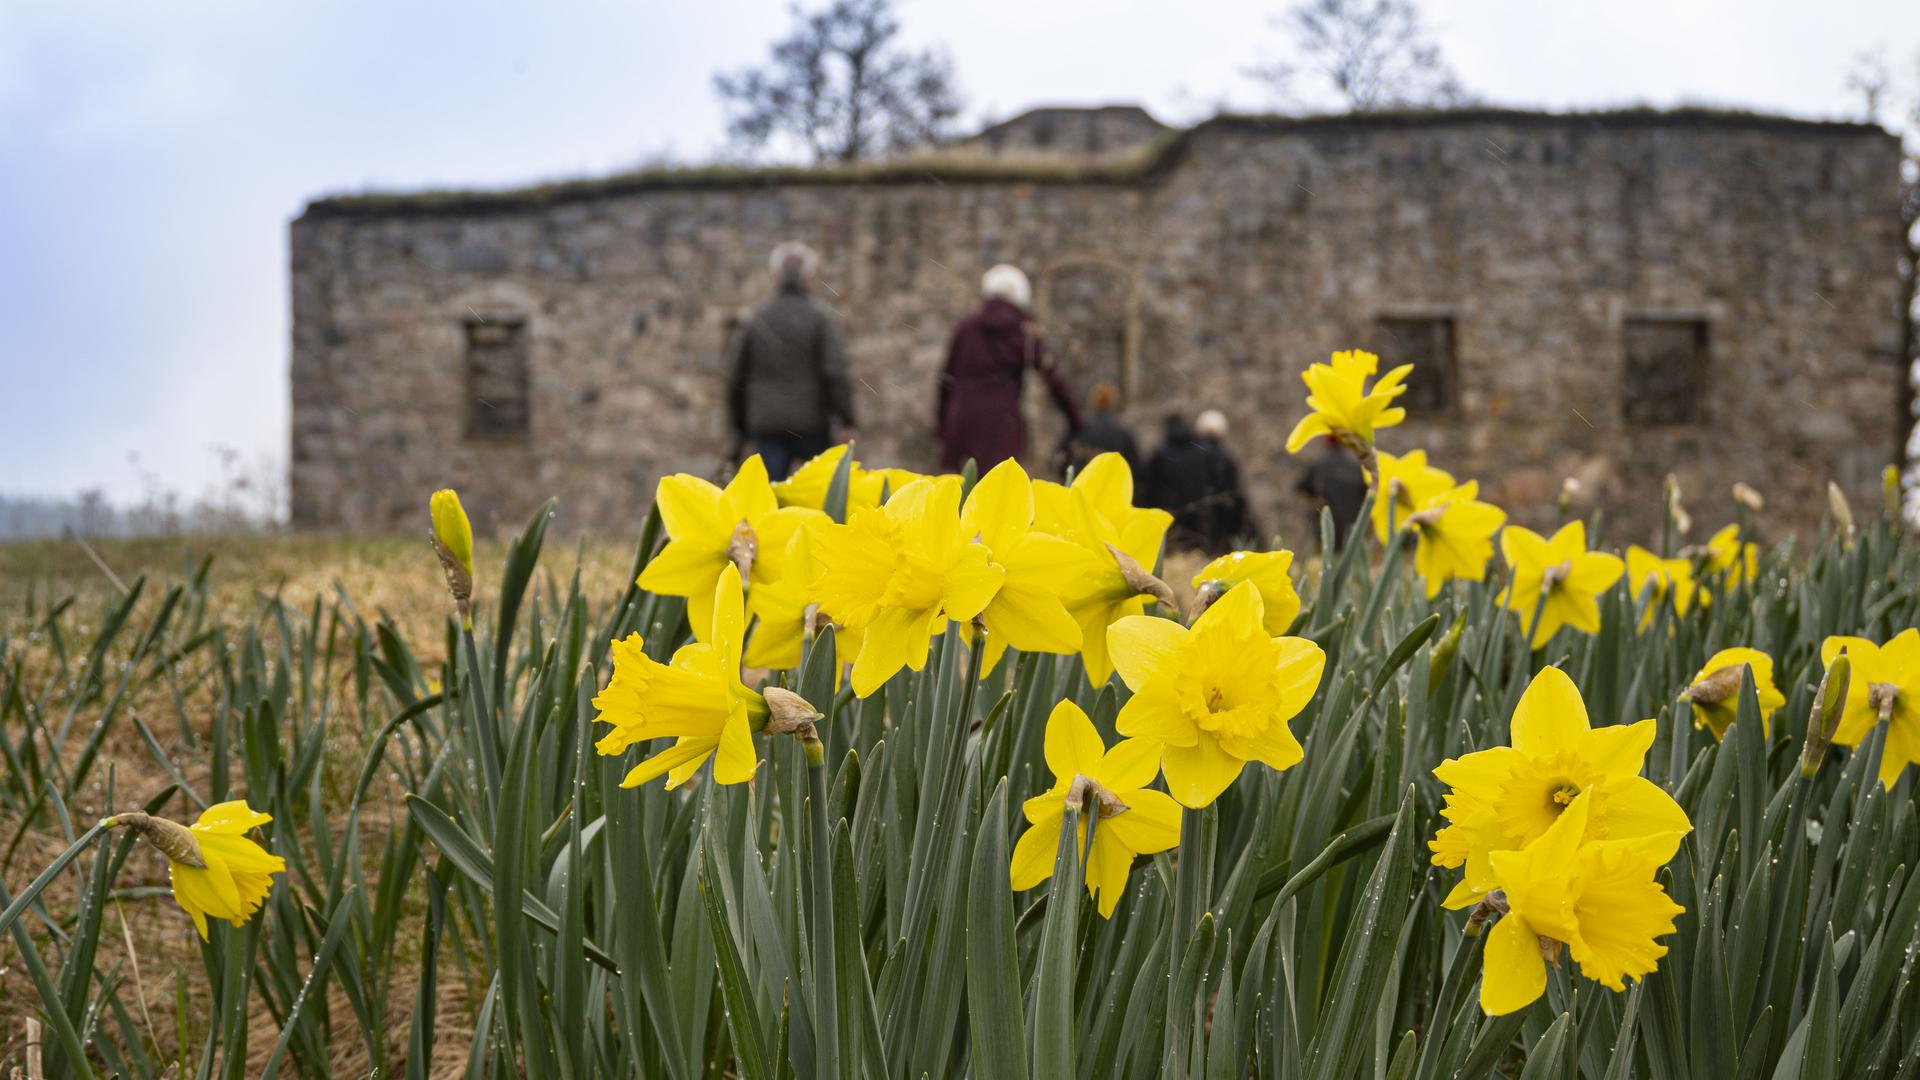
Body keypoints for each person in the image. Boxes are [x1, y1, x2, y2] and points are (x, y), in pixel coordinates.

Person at [726, 241, 857, 480]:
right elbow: (835, 372)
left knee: (769, 503)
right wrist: (846, 420)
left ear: (774, 277)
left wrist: (740, 426)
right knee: (825, 501)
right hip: (812, 426)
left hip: (767, 427)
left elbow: (736, 377)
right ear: (809, 277)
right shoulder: (820, 318)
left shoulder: (756, 318)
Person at [936, 264, 1082, 473]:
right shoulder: (1024, 331)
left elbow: (946, 380)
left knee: (955, 493)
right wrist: (1076, 421)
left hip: (962, 418)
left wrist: (943, 426)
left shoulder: (967, 328)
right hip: (999, 423)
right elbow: (1053, 377)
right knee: (998, 493)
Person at [1143, 411, 1248, 554]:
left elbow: (1150, 487)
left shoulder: (1161, 452)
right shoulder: (1211, 454)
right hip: (1205, 518)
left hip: (1170, 516)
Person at [1296, 435, 1367, 551]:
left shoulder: (1318, 465)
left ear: (1325, 443)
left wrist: (1314, 503)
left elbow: (1301, 489)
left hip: (1325, 524)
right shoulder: (1356, 466)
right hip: (1353, 524)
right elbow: (1367, 494)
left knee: (1326, 557)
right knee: (1350, 555)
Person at [1056, 381, 1139, 477]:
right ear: (1113, 402)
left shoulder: (1078, 427)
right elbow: (1135, 470)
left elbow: (1060, 460)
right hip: (1110, 489)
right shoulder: (1123, 434)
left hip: (1077, 486)